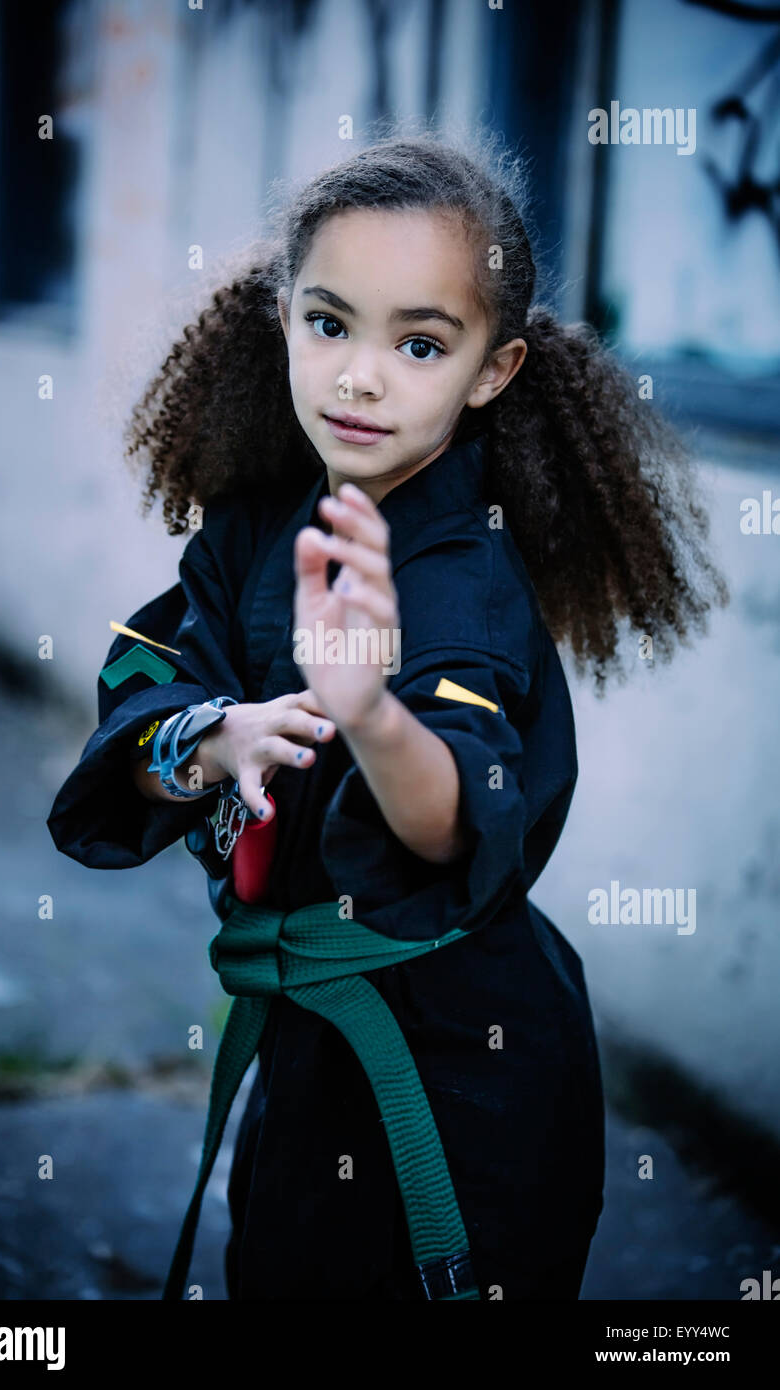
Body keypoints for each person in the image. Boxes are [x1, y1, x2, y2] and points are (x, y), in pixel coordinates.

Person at [47, 127, 729, 1301]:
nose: (360, 375)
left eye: (419, 342)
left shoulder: (465, 580)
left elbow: (452, 817)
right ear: (282, 318)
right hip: (306, 1040)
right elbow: (140, 695)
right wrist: (213, 737)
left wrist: (369, 712)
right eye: (329, 323)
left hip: (457, 1065)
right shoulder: (255, 526)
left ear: (491, 371)